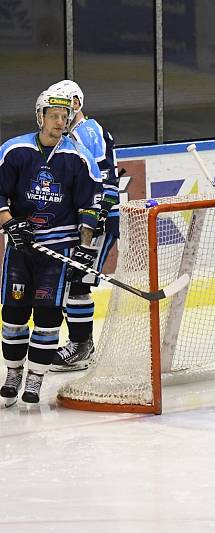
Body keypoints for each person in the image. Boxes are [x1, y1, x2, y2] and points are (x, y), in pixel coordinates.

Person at [0, 87, 102, 405]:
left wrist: (84, 248)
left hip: (57, 251)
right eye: (54, 116)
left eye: (64, 117)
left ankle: (34, 380)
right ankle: (13, 373)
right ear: (40, 117)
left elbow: (89, 207)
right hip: (21, 248)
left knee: (47, 317)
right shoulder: (14, 151)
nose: (60, 122)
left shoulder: (78, 157)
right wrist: (9, 224)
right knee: (13, 315)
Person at [45, 80, 120, 372]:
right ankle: (80, 342)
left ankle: (81, 346)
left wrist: (97, 218)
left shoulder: (88, 131)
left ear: (76, 103)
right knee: (71, 283)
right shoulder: (70, 136)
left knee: (78, 282)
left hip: (97, 221)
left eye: (64, 106)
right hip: (81, 221)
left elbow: (105, 180)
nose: (59, 113)